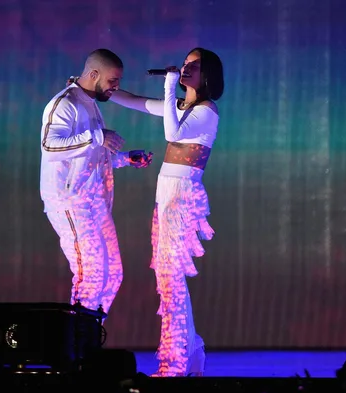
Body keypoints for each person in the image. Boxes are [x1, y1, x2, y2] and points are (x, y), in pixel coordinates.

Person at [68, 47, 224, 376]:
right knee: (169, 280)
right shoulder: (183, 107)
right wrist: (93, 88)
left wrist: (168, 87)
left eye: (192, 66)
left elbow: (173, 133)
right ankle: (190, 350)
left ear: (207, 74)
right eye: (184, 64)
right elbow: (135, 101)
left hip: (182, 199)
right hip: (166, 198)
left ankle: (176, 360)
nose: (184, 68)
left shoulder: (207, 111)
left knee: (170, 281)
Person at [41, 49, 153, 321]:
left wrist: (125, 159)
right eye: (113, 81)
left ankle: (89, 336)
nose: (116, 87)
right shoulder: (65, 103)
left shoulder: (89, 103)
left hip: (95, 203)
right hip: (71, 203)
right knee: (90, 273)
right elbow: (49, 146)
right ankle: (75, 346)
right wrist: (96, 137)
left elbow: (89, 157)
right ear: (94, 74)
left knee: (112, 272)